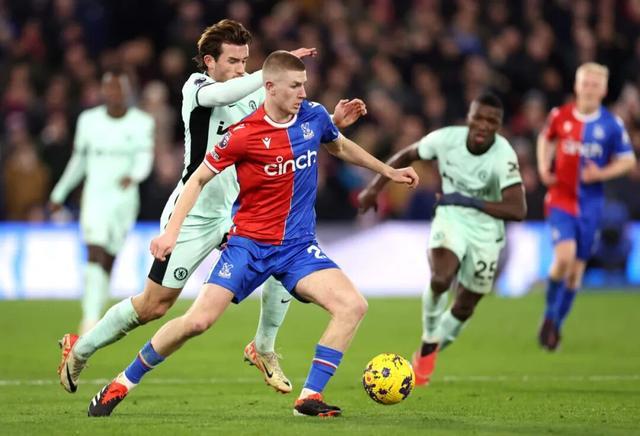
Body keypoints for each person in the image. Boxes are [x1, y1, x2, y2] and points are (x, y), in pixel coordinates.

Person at [86, 50, 418, 418]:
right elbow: (198, 179)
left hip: (297, 248)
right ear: (270, 87)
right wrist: (171, 233)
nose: (303, 93)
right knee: (197, 321)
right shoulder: (243, 134)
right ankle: (122, 382)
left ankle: (309, 396)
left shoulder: (314, 116)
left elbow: (338, 144)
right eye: (295, 86)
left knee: (353, 306)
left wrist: (387, 172)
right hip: (249, 247)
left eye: (304, 85)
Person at [57, 19, 365, 395]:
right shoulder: (197, 88)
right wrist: (269, 72)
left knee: (282, 252)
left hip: (234, 213)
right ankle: (81, 348)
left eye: (246, 61)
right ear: (209, 62)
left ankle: (263, 347)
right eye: (233, 61)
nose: (241, 69)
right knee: (153, 306)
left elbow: (289, 128)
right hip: (193, 214)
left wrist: (331, 121)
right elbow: (225, 95)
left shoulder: (255, 91)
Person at [359, 92, 526, 386]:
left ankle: (430, 347)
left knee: (464, 306)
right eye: (478, 118)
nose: (483, 125)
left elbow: (517, 209)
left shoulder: (503, 155)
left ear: (498, 126)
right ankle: (429, 338)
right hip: (451, 218)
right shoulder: (446, 139)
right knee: (440, 278)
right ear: (469, 118)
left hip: (487, 231)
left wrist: (467, 200)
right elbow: (406, 155)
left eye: (491, 121)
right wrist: (375, 188)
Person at [536, 62, 635, 350]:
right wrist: (543, 165)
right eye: (586, 83)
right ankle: (549, 316)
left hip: (591, 204)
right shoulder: (560, 115)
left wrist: (601, 174)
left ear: (603, 90)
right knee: (563, 258)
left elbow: (628, 160)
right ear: (576, 86)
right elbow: (545, 138)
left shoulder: (611, 124)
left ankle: (555, 324)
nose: (590, 89)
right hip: (561, 198)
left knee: (576, 271)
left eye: (595, 84)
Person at [49, 70, 154, 335]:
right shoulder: (88, 121)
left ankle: (96, 311)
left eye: (119, 88)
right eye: (110, 88)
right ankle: (90, 317)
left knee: (108, 256)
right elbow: (79, 161)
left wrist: (135, 175)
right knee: (94, 250)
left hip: (124, 198)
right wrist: (60, 193)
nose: (114, 93)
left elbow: (145, 158)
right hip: (95, 195)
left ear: (127, 92)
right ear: (104, 91)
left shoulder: (142, 123)